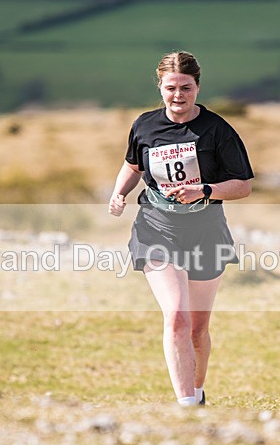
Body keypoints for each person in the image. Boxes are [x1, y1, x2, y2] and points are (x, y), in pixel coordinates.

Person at [108, 51, 253, 407]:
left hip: (205, 231)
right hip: (156, 228)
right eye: (171, 88)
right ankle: (186, 405)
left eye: (185, 88)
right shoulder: (144, 125)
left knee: (198, 330)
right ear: (160, 88)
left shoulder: (218, 130)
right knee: (176, 316)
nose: (178, 95)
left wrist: (203, 190)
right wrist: (119, 192)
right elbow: (132, 165)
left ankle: (198, 393)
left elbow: (243, 185)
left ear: (197, 87)